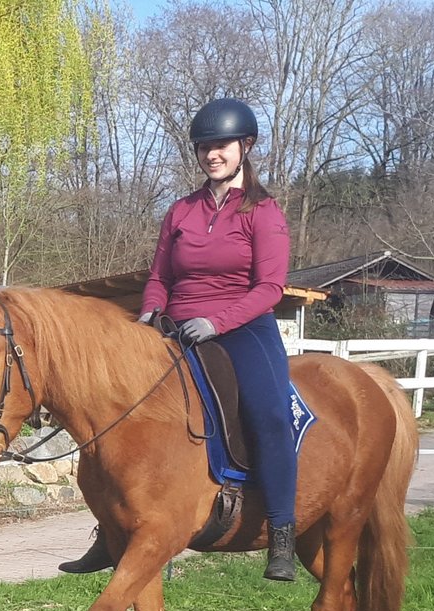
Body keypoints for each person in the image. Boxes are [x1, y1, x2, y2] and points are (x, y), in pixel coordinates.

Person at [59, 98, 298, 581]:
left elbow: (270, 288)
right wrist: (150, 310)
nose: (213, 154)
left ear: (244, 147)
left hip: (243, 328)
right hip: (174, 328)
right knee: (112, 411)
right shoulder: (181, 211)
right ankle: (109, 531)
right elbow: (160, 275)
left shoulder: (263, 212)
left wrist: (218, 322)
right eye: (205, 147)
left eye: (222, 146)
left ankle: (281, 533)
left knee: (271, 416)